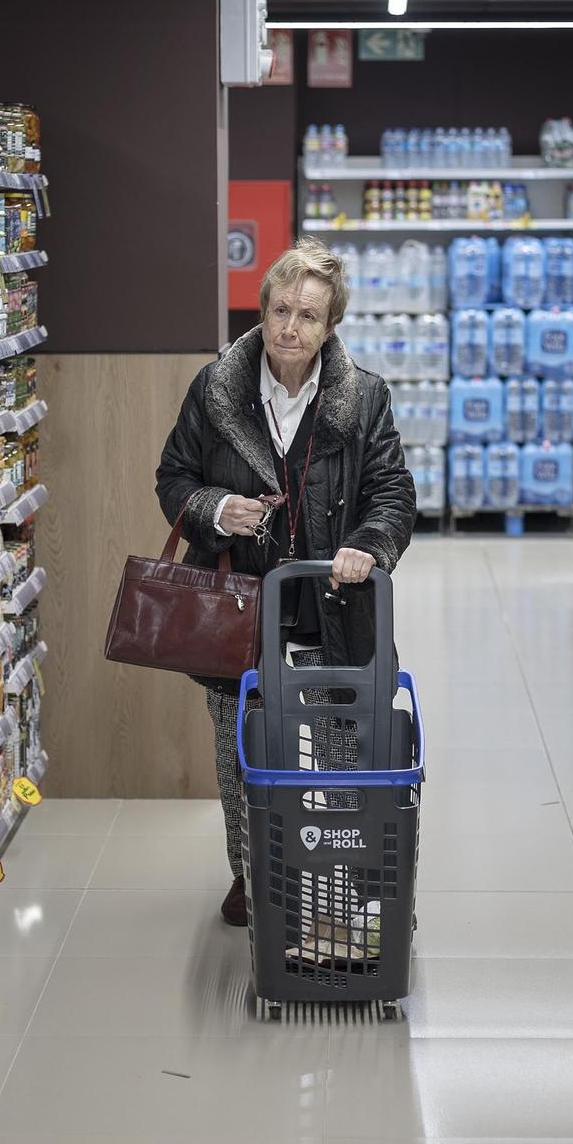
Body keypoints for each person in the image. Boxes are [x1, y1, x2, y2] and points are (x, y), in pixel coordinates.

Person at [155, 238, 417, 926]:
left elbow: (392, 494)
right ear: (262, 311)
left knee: (337, 750)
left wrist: (368, 545)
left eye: (308, 314)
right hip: (241, 609)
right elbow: (173, 478)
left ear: (331, 325)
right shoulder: (216, 392)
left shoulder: (364, 401)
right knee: (241, 751)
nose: (290, 328)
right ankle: (251, 873)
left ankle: (336, 871)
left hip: (334, 610)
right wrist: (215, 507)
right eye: (279, 310)